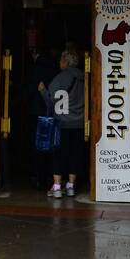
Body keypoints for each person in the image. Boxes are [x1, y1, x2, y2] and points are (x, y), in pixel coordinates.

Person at [41, 47, 86, 198]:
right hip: (79, 123)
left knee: (59, 154)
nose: (59, 62)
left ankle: (57, 187)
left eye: (61, 60)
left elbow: (50, 101)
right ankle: (71, 186)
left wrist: (42, 91)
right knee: (75, 154)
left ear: (65, 62)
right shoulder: (84, 78)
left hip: (61, 123)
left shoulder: (59, 78)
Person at [25, 45, 56, 189]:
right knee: (50, 143)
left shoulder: (36, 69)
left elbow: (31, 89)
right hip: (51, 110)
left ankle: (37, 176)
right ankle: (49, 176)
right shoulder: (54, 68)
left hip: (36, 110)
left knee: (36, 144)